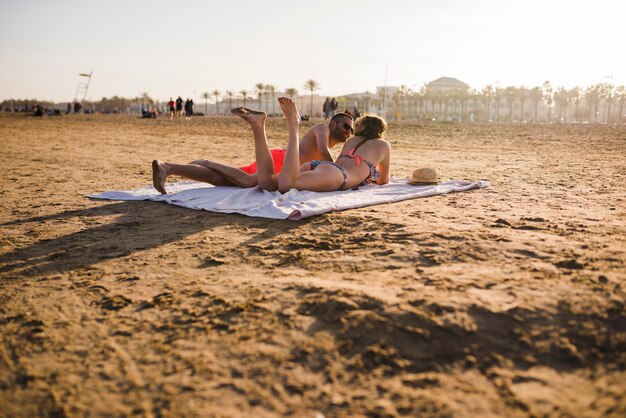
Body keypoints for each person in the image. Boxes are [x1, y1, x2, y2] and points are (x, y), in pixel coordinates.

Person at [151, 108, 355, 193]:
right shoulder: (322, 128)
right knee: (248, 181)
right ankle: (206, 162)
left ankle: (168, 168)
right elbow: (323, 153)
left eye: (352, 129)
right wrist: (340, 172)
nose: (349, 131)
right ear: (333, 124)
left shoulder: (331, 145)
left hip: (282, 164)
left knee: (226, 181)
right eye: (345, 126)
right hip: (281, 162)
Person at [275, 97, 390, 193]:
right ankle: (294, 124)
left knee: (275, 182)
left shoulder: (352, 141)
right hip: (339, 176)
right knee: (287, 185)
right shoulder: (384, 145)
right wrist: (369, 177)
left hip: (322, 166)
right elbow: (384, 180)